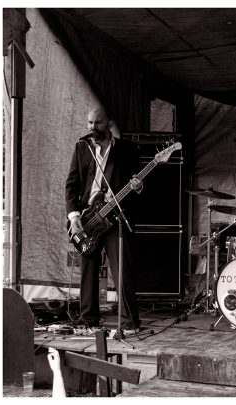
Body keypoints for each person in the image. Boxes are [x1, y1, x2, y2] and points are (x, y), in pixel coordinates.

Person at [65, 107, 142, 333]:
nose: (92, 127)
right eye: (89, 122)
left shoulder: (127, 150)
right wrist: (74, 216)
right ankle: (88, 319)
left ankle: (129, 321)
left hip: (114, 217)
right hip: (87, 216)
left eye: (97, 123)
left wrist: (138, 186)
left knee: (121, 269)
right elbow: (72, 184)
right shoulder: (81, 147)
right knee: (88, 270)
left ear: (109, 124)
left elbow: (137, 182)